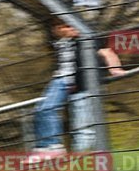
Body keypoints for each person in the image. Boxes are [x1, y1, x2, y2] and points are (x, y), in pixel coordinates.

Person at [33, 20, 126, 153]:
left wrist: (115, 69)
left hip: (87, 87)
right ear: (58, 30)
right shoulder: (62, 44)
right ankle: (53, 147)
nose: (72, 29)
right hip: (71, 87)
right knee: (48, 111)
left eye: (73, 25)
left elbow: (107, 52)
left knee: (84, 127)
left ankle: (86, 158)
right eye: (67, 27)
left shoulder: (87, 39)